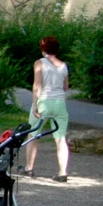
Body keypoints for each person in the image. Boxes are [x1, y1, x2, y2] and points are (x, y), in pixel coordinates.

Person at [22, 36, 71, 181]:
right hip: (60, 103)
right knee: (60, 138)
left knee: (33, 134)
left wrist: (35, 104)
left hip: (44, 101)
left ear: (43, 49)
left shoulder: (40, 63)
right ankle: (62, 172)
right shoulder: (63, 65)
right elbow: (65, 86)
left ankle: (29, 168)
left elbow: (37, 84)